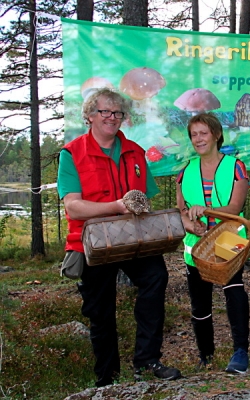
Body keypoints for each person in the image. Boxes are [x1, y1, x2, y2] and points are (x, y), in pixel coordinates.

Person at [57, 88, 181, 387]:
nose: (112, 118)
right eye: (105, 112)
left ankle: (147, 362)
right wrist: (114, 206)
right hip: (93, 242)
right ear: (89, 116)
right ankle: (107, 379)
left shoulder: (135, 151)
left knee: (155, 278)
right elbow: (73, 205)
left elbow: (146, 197)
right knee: (100, 311)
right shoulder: (72, 154)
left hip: (134, 238)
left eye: (118, 113)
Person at [176, 113, 250, 374]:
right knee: (199, 302)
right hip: (196, 245)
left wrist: (205, 213)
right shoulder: (185, 171)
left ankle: (241, 352)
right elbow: (181, 211)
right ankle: (205, 356)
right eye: (194, 134)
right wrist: (190, 224)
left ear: (216, 135)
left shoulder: (236, 167)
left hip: (228, 237)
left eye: (203, 133)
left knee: (233, 289)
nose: (198, 139)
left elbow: (235, 207)